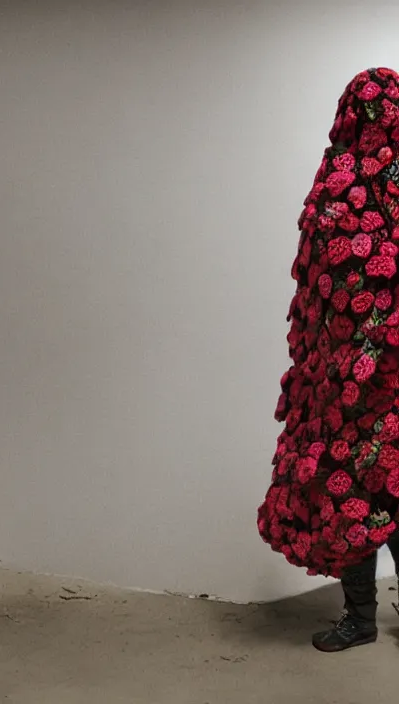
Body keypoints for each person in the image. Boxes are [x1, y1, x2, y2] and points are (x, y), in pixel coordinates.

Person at [257, 67, 399, 652]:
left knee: (382, 491)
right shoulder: (334, 178)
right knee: (349, 494)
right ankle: (360, 619)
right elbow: (313, 277)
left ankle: (363, 620)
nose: (370, 121)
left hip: (385, 370)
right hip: (335, 370)